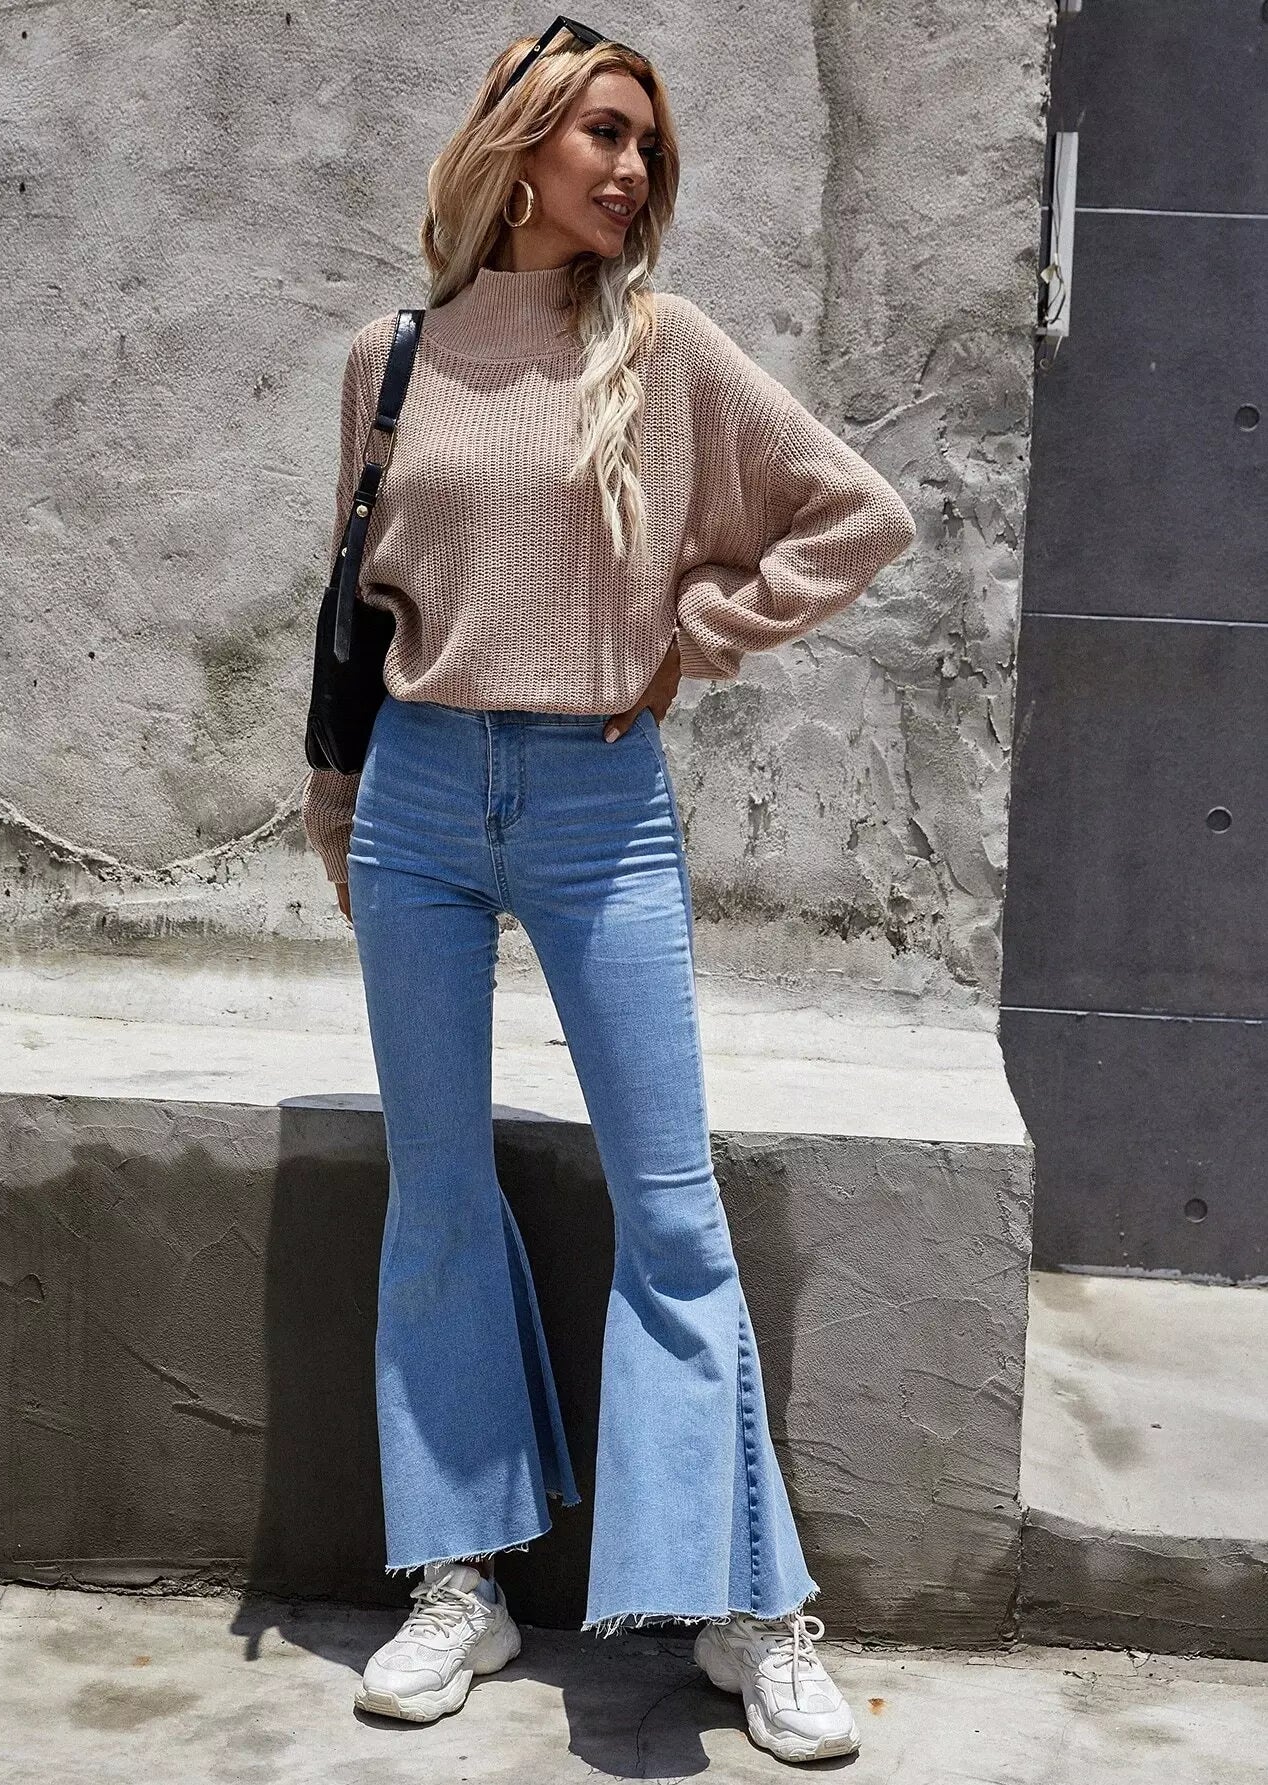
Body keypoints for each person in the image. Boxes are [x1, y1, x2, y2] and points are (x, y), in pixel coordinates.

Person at [300, 17, 916, 1766]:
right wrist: (340, 805)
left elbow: (854, 515)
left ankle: (749, 1608)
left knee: (673, 1209)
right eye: (602, 133)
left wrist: (694, 635)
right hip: (420, 795)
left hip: (596, 802)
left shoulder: (665, 348)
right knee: (435, 1192)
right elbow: (351, 594)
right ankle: (461, 1579)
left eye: (648, 140)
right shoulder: (392, 358)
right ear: (517, 147)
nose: (633, 168)